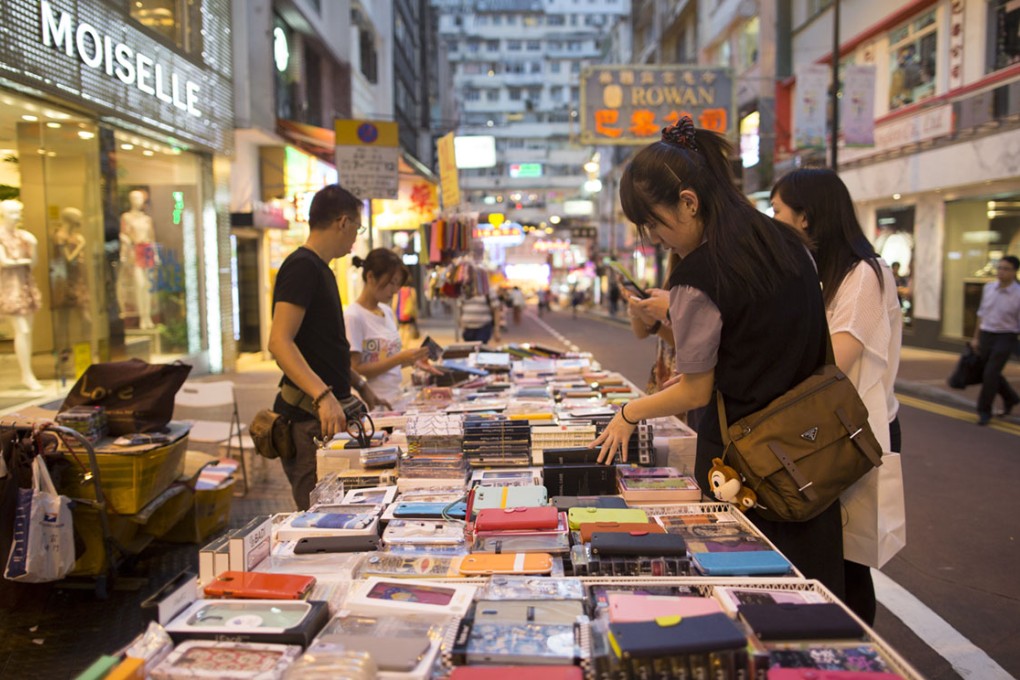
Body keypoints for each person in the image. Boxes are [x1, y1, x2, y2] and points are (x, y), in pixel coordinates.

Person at [590, 117, 845, 597]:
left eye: (654, 224)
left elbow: (697, 389)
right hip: (814, 445)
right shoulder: (787, 241)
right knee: (811, 586)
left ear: (688, 202)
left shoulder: (699, 274)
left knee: (748, 588)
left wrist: (628, 412)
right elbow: (772, 339)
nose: (654, 238)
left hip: (747, 463)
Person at [771, 168, 904, 625]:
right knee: (832, 550)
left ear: (806, 218)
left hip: (853, 431)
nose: (775, 220)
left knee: (850, 556)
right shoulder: (829, 273)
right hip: (832, 426)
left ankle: (857, 654)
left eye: (778, 211)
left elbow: (834, 359)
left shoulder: (865, 275)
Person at [267, 184, 387, 510]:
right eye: (357, 228)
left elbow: (322, 346)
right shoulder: (302, 267)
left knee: (340, 511)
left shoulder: (322, 269)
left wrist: (361, 385)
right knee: (319, 515)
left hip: (323, 416)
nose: (355, 237)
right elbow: (279, 342)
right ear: (342, 222)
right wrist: (323, 396)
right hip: (307, 421)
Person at [346, 248, 432, 406]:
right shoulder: (353, 316)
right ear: (370, 277)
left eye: (398, 284)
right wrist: (400, 358)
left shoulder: (386, 311)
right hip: (371, 403)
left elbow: (386, 360)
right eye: (391, 282)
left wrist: (412, 360)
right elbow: (355, 369)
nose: (395, 290)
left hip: (395, 399)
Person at [969, 255, 1020, 425]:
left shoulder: (1018, 293)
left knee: (990, 373)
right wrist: (976, 338)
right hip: (986, 334)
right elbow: (981, 314)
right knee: (990, 372)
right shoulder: (989, 288)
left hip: (1006, 335)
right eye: (1000, 268)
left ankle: (984, 411)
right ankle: (1011, 398)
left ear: (1014, 272)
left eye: (1006, 269)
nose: (1001, 272)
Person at [0, 199, 43, 390]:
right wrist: (23, 260)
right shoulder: (1, 235)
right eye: (12, 213)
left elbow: (33, 262)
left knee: (28, 332)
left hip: (24, 284)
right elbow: (4, 262)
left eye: (18, 213)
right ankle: (26, 374)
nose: (16, 217)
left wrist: (33, 245)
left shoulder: (22, 236)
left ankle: (27, 373)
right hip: (9, 285)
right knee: (22, 330)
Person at [119, 189, 157, 330]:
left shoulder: (147, 219)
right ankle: (142, 317)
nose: (137, 201)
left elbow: (152, 238)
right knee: (139, 285)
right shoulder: (127, 217)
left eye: (140, 198)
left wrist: (156, 254)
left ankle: (147, 317)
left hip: (147, 250)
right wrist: (124, 253)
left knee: (147, 287)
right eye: (135, 198)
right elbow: (123, 235)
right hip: (135, 251)